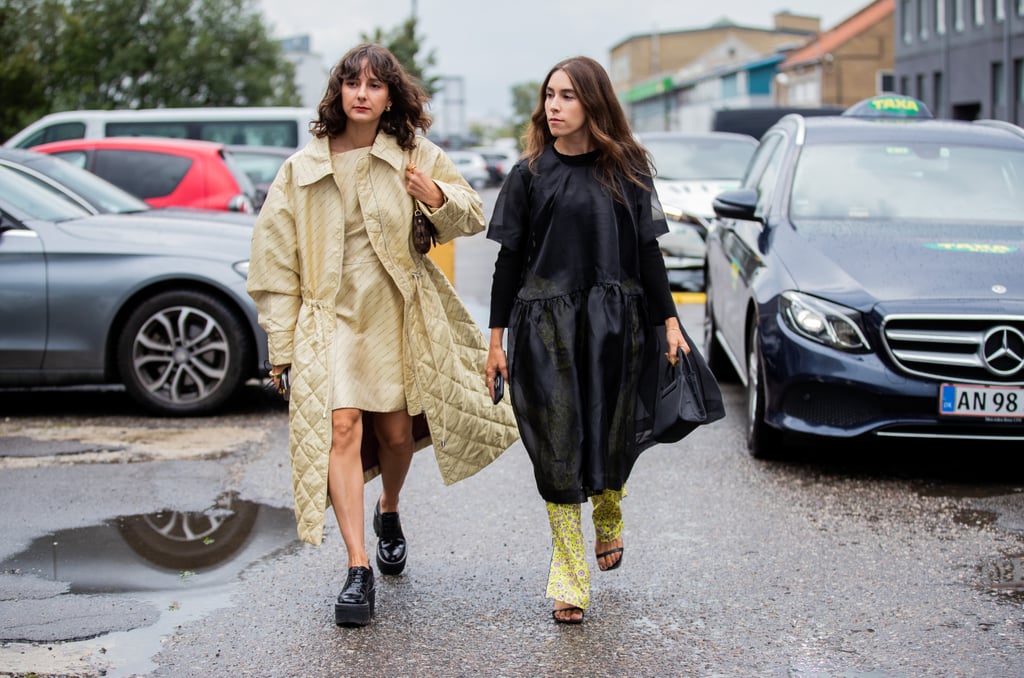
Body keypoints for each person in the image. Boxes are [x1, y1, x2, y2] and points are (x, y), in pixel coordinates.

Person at [247, 43, 519, 627]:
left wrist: (436, 197)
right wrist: (282, 343)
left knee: (396, 436)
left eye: (374, 85)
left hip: (396, 314)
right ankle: (356, 568)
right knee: (340, 428)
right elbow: (273, 261)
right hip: (328, 319)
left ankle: (389, 508)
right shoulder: (302, 168)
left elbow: (473, 213)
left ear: (391, 95)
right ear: (338, 93)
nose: (362, 94)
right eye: (352, 84)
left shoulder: (413, 153)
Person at [485, 56, 689, 625]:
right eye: (549, 95)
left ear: (593, 103)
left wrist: (669, 321)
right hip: (544, 327)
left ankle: (608, 511)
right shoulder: (529, 174)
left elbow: (648, 252)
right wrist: (495, 340)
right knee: (555, 444)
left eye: (568, 96)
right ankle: (569, 569)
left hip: (613, 321)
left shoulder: (628, 168)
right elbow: (507, 261)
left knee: (609, 430)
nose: (554, 106)